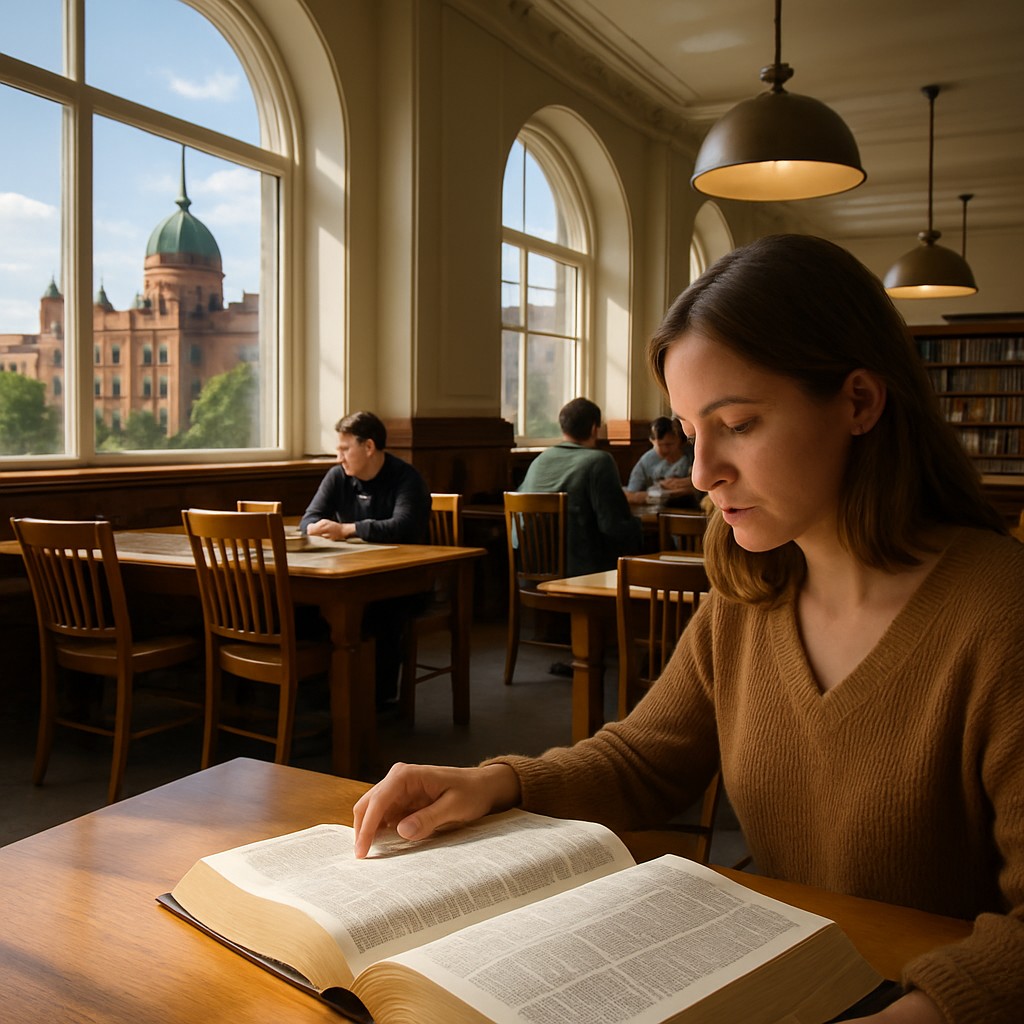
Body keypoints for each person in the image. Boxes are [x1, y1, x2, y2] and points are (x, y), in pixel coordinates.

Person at [351, 235, 1024, 1024]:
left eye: (737, 423)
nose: (702, 472)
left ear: (860, 403)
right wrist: (499, 781)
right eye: (688, 430)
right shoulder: (748, 598)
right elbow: (644, 758)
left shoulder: (998, 614)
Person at [301, 410, 431, 707]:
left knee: (379, 611)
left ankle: (378, 698)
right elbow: (309, 517)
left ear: (369, 447)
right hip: (351, 575)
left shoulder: (406, 478)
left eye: (345, 449)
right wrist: (313, 527)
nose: (339, 458)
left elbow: (405, 526)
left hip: (404, 582)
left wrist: (347, 529)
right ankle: (331, 692)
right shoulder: (338, 477)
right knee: (309, 609)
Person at [517, 396, 642, 576]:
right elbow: (614, 525)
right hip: (583, 574)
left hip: (530, 572)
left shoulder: (539, 461)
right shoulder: (599, 461)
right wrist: (639, 526)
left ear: (562, 427)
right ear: (594, 429)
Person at [624, 415, 701, 507]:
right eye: (659, 445)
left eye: (669, 445)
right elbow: (631, 493)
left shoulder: (693, 454)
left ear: (679, 440)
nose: (664, 450)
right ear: (651, 441)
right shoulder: (647, 460)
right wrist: (659, 495)